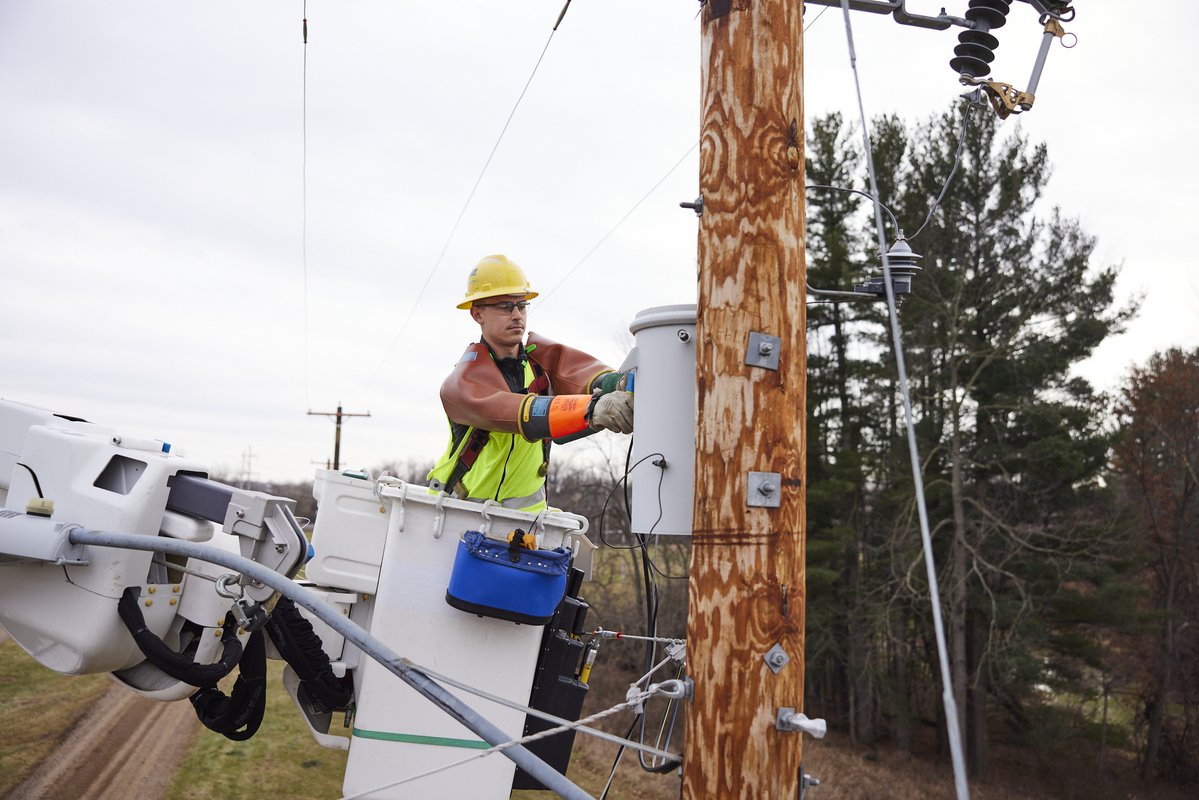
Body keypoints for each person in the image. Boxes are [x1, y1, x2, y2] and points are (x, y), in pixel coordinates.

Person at [427, 254, 634, 512]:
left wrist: (617, 384)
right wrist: (592, 409)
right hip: (459, 514)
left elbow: (575, 373)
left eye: (522, 306)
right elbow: (512, 410)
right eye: (505, 307)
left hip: (527, 522)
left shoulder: (537, 369)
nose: (517, 315)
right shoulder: (462, 384)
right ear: (477, 314)